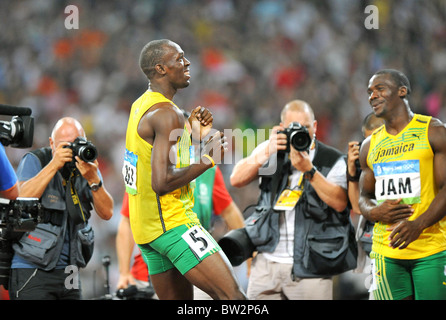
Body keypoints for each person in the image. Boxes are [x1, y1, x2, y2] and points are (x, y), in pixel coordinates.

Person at [123, 39, 246, 300]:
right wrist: (208, 159)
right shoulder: (168, 113)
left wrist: (189, 135)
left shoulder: (140, 105)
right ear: (161, 68)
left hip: (147, 232)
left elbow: (152, 158)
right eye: (179, 58)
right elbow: (162, 181)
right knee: (234, 298)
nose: (187, 62)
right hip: (174, 224)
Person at [230, 99, 356, 300]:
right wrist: (267, 151)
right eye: (293, 128)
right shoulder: (270, 151)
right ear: (281, 128)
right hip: (266, 262)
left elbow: (340, 203)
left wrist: (309, 170)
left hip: (311, 265)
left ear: (314, 127)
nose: (301, 133)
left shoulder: (331, 159)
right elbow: (236, 178)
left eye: (305, 127)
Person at [359, 69, 446, 300]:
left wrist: (418, 224)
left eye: (380, 89)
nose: (372, 96)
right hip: (386, 252)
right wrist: (375, 211)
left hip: (431, 248)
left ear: (402, 91)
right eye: (370, 92)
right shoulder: (369, 146)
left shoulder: (433, 131)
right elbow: (363, 197)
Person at [8, 117, 113, 300]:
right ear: (52, 143)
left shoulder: (87, 167)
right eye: (65, 145)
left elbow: (107, 213)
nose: (72, 151)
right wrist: (54, 165)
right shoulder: (37, 160)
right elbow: (21, 196)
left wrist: (93, 180)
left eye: (76, 143)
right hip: (33, 267)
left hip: (70, 270)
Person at [116, 164, 245, 299]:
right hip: (147, 269)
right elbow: (127, 220)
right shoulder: (148, 167)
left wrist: (248, 259)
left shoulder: (209, 171)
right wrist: (124, 272)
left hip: (196, 265)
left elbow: (229, 211)